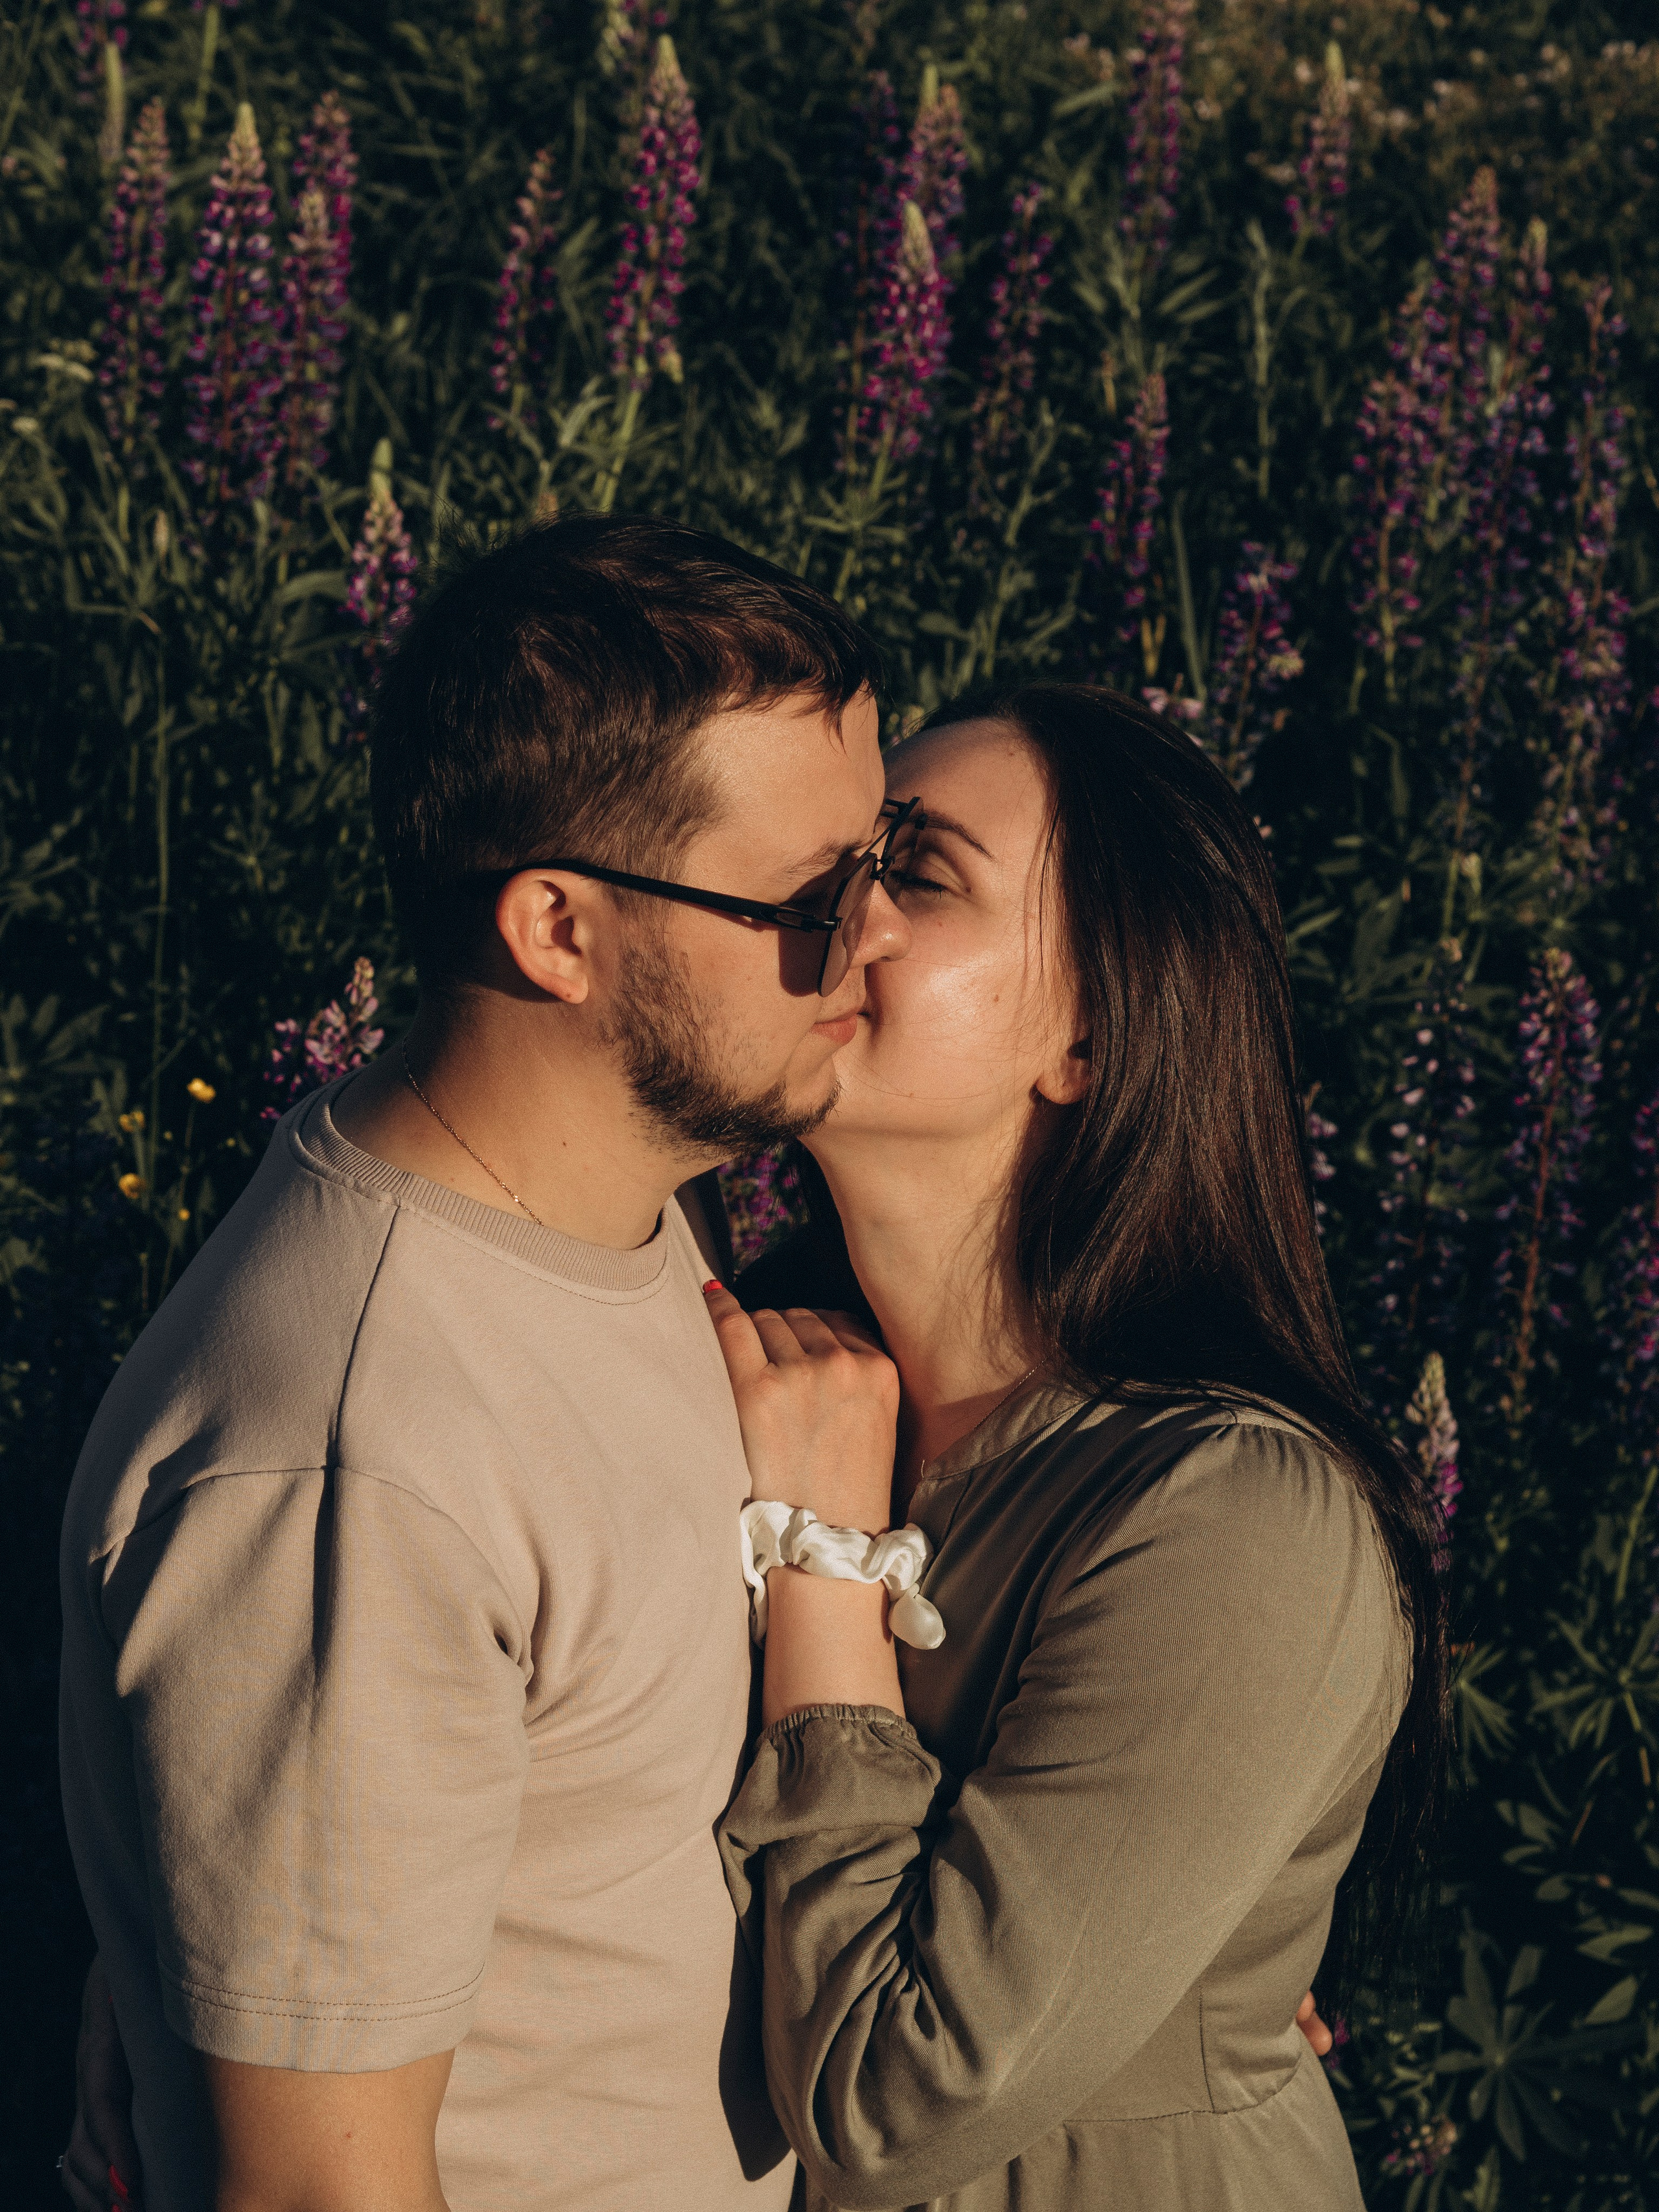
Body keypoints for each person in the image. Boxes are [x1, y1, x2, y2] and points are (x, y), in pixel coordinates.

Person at [55, 514, 915, 2212]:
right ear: (558, 931)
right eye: (815, 900)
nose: (876, 936)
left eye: (882, 863)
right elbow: (320, 2191)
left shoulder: (611, 1205)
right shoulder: (360, 1456)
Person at [705, 682, 1450, 2211]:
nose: (845, 911)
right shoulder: (753, 1370)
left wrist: (827, 1574)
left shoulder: (1234, 1517)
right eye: (849, 858)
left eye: (919, 873)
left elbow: (891, 2101)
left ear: (1094, 1037)